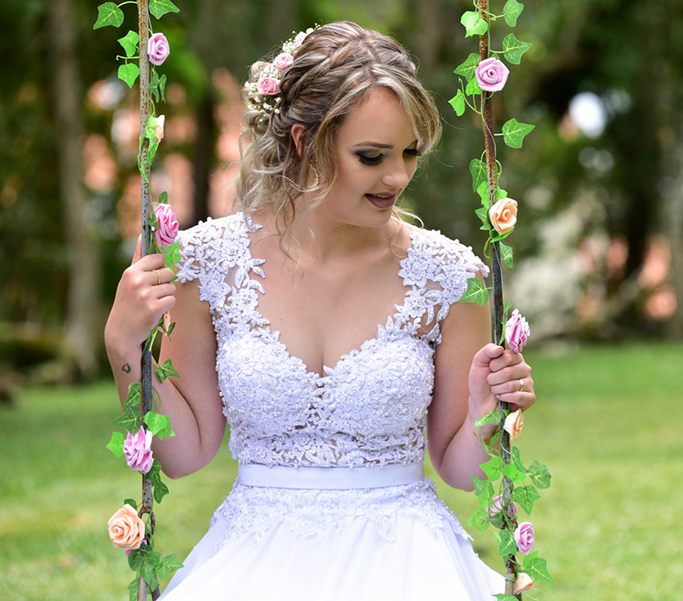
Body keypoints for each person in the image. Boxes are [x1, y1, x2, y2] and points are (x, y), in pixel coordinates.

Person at [104, 21, 536, 600]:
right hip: (254, 565)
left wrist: (488, 413)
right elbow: (184, 453)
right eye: (372, 156)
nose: (398, 176)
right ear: (305, 140)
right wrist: (125, 347)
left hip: (407, 565)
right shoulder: (208, 264)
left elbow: (461, 472)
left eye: (410, 153)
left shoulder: (450, 278)